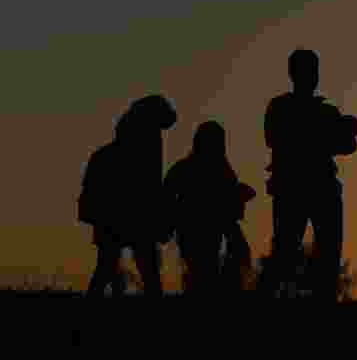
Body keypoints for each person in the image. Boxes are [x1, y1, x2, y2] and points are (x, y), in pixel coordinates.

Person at [262, 49, 357, 301]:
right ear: (294, 74)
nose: (312, 76)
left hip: (314, 187)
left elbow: (349, 145)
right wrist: (327, 133)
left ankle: (320, 298)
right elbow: (274, 138)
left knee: (325, 252)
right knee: (286, 250)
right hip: (297, 187)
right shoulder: (283, 108)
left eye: (313, 71)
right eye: (308, 71)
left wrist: (337, 130)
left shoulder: (318, 110)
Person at [81, 95, 177, 298]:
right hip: (134, 215)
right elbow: (150, 184)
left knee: (109, 265)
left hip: (117, 215)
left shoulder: (106, 155)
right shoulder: (148, 143)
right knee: (144, 267)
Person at [164, 121, 251, 296]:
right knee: (205, 271)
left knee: (204, 271)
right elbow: (167, 196)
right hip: (195, 228)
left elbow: (167, 195)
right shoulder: (218, 170)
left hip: (199, 229)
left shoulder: (187, 167)